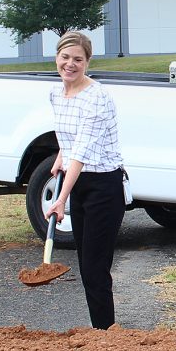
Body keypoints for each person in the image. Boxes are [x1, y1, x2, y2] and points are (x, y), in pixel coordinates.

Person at [44, 32, 126, 330]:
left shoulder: (98, 96)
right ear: (57, 58)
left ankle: (106, 335)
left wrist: (60, 198)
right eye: (65, 57)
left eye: (78, 59)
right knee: (86, 264)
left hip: (104, 187)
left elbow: (82, 149)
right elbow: (69, 138)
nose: (70, 64)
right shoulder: (56, 94)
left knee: (95, 268)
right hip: (78, 182)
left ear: (87, 62)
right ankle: (100, 332)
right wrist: (59, 158)